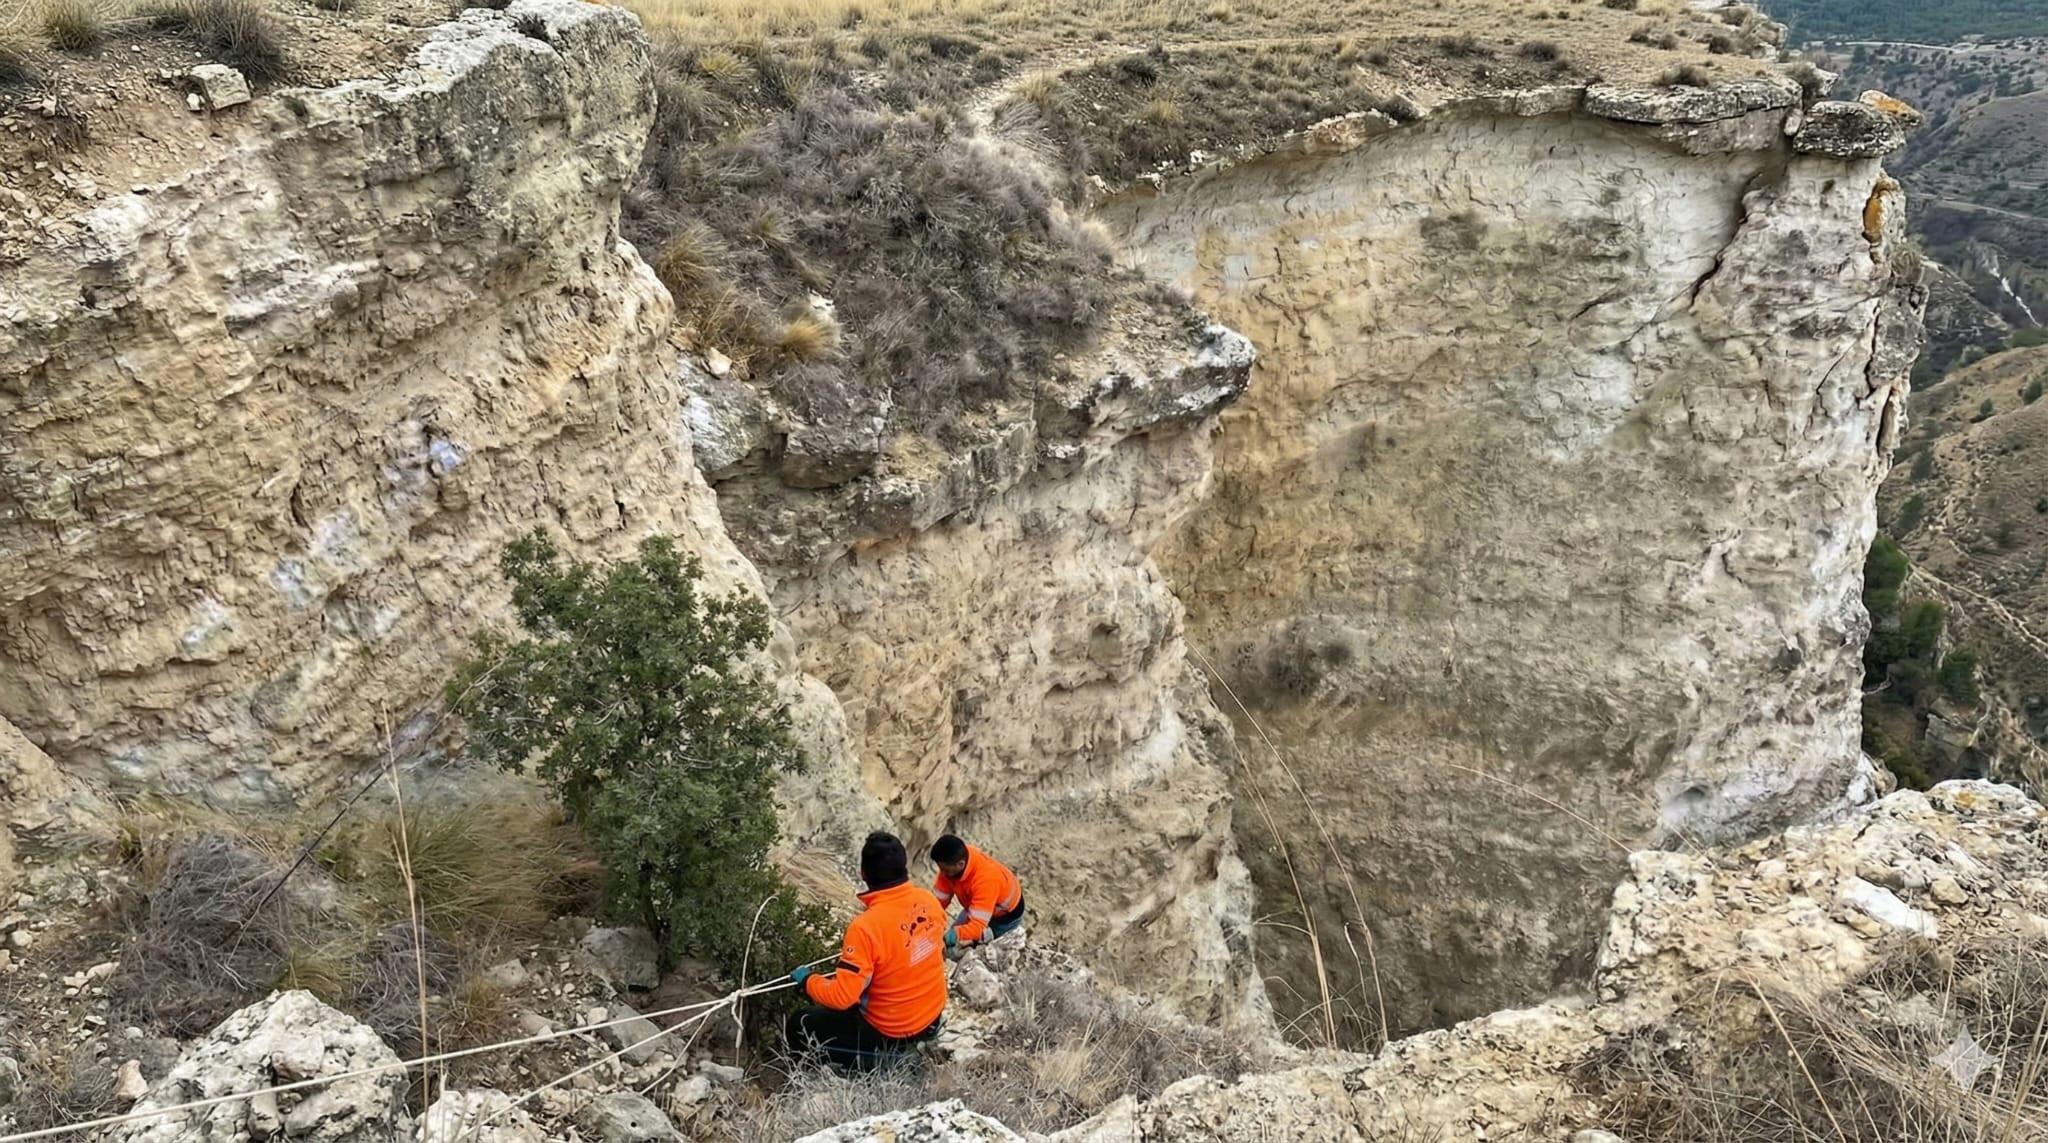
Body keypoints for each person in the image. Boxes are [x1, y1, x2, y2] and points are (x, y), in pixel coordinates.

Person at [785, 831, 948, 1069]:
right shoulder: (928, 900)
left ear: (863, 873)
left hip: (890, 1033)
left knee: (800, 1023)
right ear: (905, 867)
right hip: (931, 1018)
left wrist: (808, 980)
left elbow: (842, 998)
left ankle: (828, 1074)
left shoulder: (865, 927)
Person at [929, 834, 1024, 953]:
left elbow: (977, 927)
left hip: (1005, 919)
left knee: (976, 952)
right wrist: (928, 920)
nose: (942, 873)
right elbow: (937, 903)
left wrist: (955, 934)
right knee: (948, 945)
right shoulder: (953, 864)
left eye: (945, 870)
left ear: (961, 864)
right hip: (978, 905)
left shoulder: (985, 880)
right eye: (941, 868)